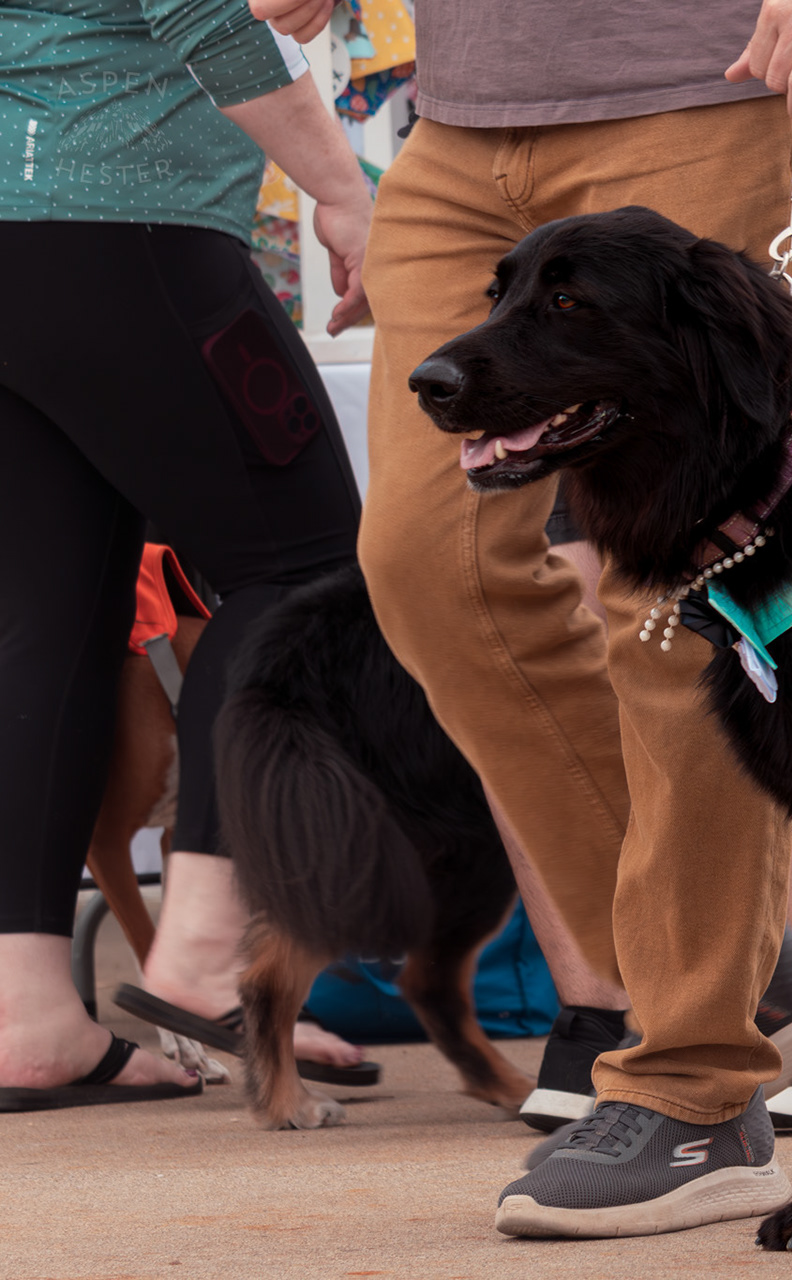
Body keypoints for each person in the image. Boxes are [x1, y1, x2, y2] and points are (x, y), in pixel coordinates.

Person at [249, 0, 792, 1241]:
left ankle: (693, 1082)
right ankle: (739, 965)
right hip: (466, 105)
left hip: (713, 76)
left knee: (689, 601)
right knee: (426, 568)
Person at [0, 0, 374, 1107]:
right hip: (122, 223)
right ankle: (206, 949)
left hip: (30, 234)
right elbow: (205, 11)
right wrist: (345, 190)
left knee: (54, 617)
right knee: (305, 573)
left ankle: (25, 1014)